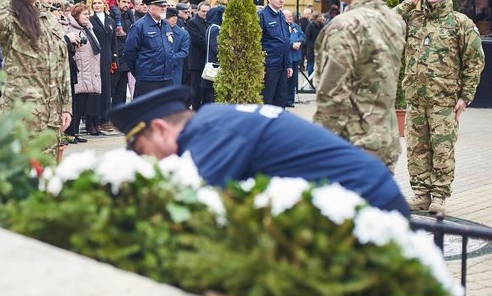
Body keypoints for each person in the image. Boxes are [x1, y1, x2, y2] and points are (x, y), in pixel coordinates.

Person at [108, 85, 410, 216]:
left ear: (160, 128)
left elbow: (200, 203)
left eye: (141, 149)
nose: (147, 160)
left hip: (371, 204)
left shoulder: (210, 133)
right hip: (366, 192)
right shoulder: (214, 119)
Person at [394, 0, 485, 214]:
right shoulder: (414, 19)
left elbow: (475, 61)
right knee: (416, 150)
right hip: (415, 99)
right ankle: (421, 195)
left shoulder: (460, 23)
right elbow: (386, 22)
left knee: (442, 150)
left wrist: (466, 97)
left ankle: (439, 198)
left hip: (443, 101)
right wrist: (410, 1)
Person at [313, 0, 406, 170]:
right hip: (385, 141)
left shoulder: (344, 26)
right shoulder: (395, 21)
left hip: (351, 147)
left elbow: (331, 97)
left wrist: (318, 150)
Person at [0, 0, 72, 156]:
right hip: (21, 114)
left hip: (50, 115)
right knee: (20, 173)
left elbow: (62, 65)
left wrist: (66, 106)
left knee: (47, 174)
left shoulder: (48, 18)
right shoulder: (10, 19)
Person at [123, 0, 174, 98]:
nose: (164, 8)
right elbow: (129, 53)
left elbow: (169, 48)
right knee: (145, 111)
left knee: (165, 112)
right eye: (160, 6)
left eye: (165, 6)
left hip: (166, 77)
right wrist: (141, 71)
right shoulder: (139, 26)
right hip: (148, 79)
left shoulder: (166, 25)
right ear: (150, 8)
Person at [65, 3, 103, 138]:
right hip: (79, 72)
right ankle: (70, 133)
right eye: (84, 14)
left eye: (88, 14)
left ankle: (75, 132)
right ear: (76, 15)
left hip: (89, 72)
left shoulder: (88, 29)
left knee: (82, 105)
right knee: (76, 104)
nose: (88, 17)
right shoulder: (69, 29)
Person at [258, 0, 292, 107]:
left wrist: (288, 65)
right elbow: (258, 42)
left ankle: (278, 124)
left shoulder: (281, 15)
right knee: (268, 99)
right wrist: (260, 66)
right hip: (269, 65)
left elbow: (285, 41)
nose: (281, 0)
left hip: (282, 65)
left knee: (281, 99)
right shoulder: (262, 15)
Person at [89, 0, 117, 132]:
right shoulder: (90, 20)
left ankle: (106, 118)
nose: (97, 5)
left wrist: (115, 57)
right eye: (94, 3)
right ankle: (96, 119)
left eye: (99, 3)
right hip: (95, 57)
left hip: (107, 58)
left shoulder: (110, 21)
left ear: (105, 5)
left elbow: (114, 42)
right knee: (96, 89)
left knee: (107, 89)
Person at [111, 0, 136, 108]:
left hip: (126, 58)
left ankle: (118, 116)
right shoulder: (112, 16)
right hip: (115, 58)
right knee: (112, 90)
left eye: (128, 2)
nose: (126, 4)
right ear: (117, 1)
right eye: (124, 2)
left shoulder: (130, 17)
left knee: (121, 91)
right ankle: (106, 118)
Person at [186, 2, 211, 109]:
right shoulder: (193, 22)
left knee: (207, 91)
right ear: (198, 11)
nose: (205, 13)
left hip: (208, 62)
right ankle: (196, 110)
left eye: (207, 11)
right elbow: (198, 40)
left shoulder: (210, 22)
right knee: (196, 90)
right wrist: (213, 46)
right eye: (203, 11)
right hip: (197, 62)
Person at [199, 5, 224, 106]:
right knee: (212, 95)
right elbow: (216, 47)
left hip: (211, 63)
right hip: (215, 65)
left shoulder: (211, 27)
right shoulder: (216, 28)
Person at [284, 9, 305, 107]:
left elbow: (302, 36)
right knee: (285, 80)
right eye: (289, 16)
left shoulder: (295, 26)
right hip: (286, 58)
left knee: (293, 81)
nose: (291, 18)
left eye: (291, 16)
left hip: (295, 57)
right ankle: (283, 100)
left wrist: (299, 42)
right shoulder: (282, 26)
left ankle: (290, 100)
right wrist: (292, 44)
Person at [166, 7, 189, 86]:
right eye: (170, 19)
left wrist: (168, 60)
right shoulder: (157, 30)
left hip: (174, 69)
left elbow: (184, 52)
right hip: (157, 70)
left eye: (175, 19)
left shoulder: (183, 34)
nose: (174, 21)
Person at [304, 11, 325, 77]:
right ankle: (310, 81)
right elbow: (307, 37)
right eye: (319, 17)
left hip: (321, 49)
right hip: (312, 49)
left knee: (321, 65)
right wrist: (312, 46)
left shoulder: (322, 25)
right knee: (311, 65)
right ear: (315, 18)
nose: (321, 18)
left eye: (321, 16)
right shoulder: (310, 26)